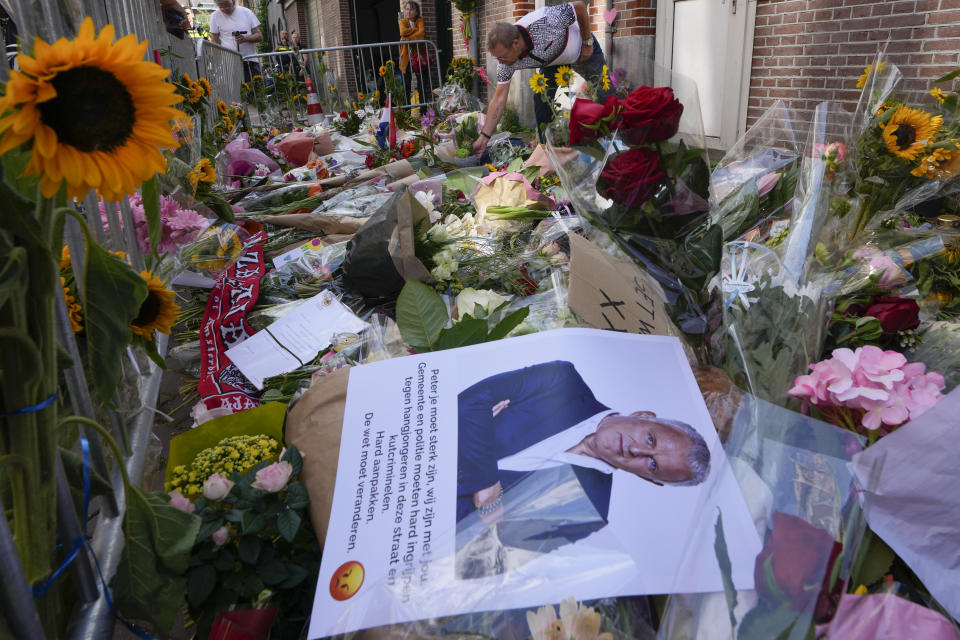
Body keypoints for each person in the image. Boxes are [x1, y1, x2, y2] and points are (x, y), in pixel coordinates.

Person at [456, 360, 711, 539]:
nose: (637, 451)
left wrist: (476, 430)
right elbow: (468, 403)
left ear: (647, 478)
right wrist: (487, 487)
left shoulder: (589, 514)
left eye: (652, 465)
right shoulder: (562, 381)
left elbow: (484, 552)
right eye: (650, 440)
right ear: (644, 415)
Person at [473, 2, 613, 156]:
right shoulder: (506, 62)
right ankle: (547, 151)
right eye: (497, 58)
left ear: (515, 43)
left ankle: (620, 141)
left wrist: (587, 42)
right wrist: (484, 138)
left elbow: (579, 7)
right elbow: (498, 99)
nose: (500, 63)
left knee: (606, 95)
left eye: (502, 57)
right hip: (552, 62)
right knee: (542, 102)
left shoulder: (547, 20)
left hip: (582, 49)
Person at [209, 0, 263, 82]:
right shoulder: (215, 16)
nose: (225, 9)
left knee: (255, 91)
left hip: (250, 61)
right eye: (221, 7)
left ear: (233, 1)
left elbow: (259, 36)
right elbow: (214, 41)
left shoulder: (246, 12)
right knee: (236, 93)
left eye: (227, 6)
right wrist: (213, 60)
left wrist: (246, 38)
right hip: (230, 63)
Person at [397, 1, 427, 105]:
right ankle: (407, 115)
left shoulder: (420, 21)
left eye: (412, 9)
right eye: (407, 9)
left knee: (422, 86)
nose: (409, 12)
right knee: (406, 87)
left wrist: (407, 38)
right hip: (406, 58)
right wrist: (415, 32)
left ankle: (424, 113)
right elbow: (402, 32)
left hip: (419, 57)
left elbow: (421, 34)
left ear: (416, 11)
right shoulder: (402, 21)